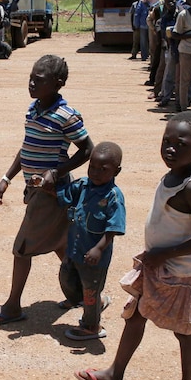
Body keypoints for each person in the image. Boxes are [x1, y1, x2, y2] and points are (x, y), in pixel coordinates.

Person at [74, 112, 191, 380]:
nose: (171, 149)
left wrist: (165, 254)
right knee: (135, 317)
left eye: (181, 144)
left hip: (181, 275)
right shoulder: (172, 176)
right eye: (166, 141)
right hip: (158, 268)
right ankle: (114, 375)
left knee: (185, 333)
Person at [0, 55, 94, 325]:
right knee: (62, 247)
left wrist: (57, 172)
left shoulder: (66, 115)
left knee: (22, 249)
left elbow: (88, 149)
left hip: (50, 195)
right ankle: (90, 297)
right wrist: (6, 178)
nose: (32, 83)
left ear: (58, 84)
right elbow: (26, 147)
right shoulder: (33, 109)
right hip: (35, 191)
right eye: (31, 77)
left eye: (39, 80)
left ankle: (12, 307)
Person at [55, 141, 126, 340]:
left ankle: (91, 326)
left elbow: (114, 228)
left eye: (103, 169)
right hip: (75, 249)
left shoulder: (113, 196)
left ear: (116, 171)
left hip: (94, 257)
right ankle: (85, 301)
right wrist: (48, 184)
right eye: (92, 167)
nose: (95, 172)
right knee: (66, 277)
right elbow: (65, 195)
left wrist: (99, 248)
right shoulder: (83, 185)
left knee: (91, 289)